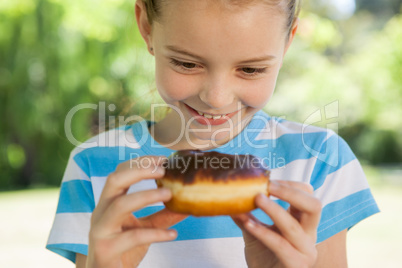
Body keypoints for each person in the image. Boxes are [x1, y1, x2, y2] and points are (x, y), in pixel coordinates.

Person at [46, 0, 379, 267]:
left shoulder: (320, 159)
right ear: (147, 27)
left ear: (288, 40)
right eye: (187, 63)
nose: (216, 98)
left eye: (251, 69)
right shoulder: (94, 166)